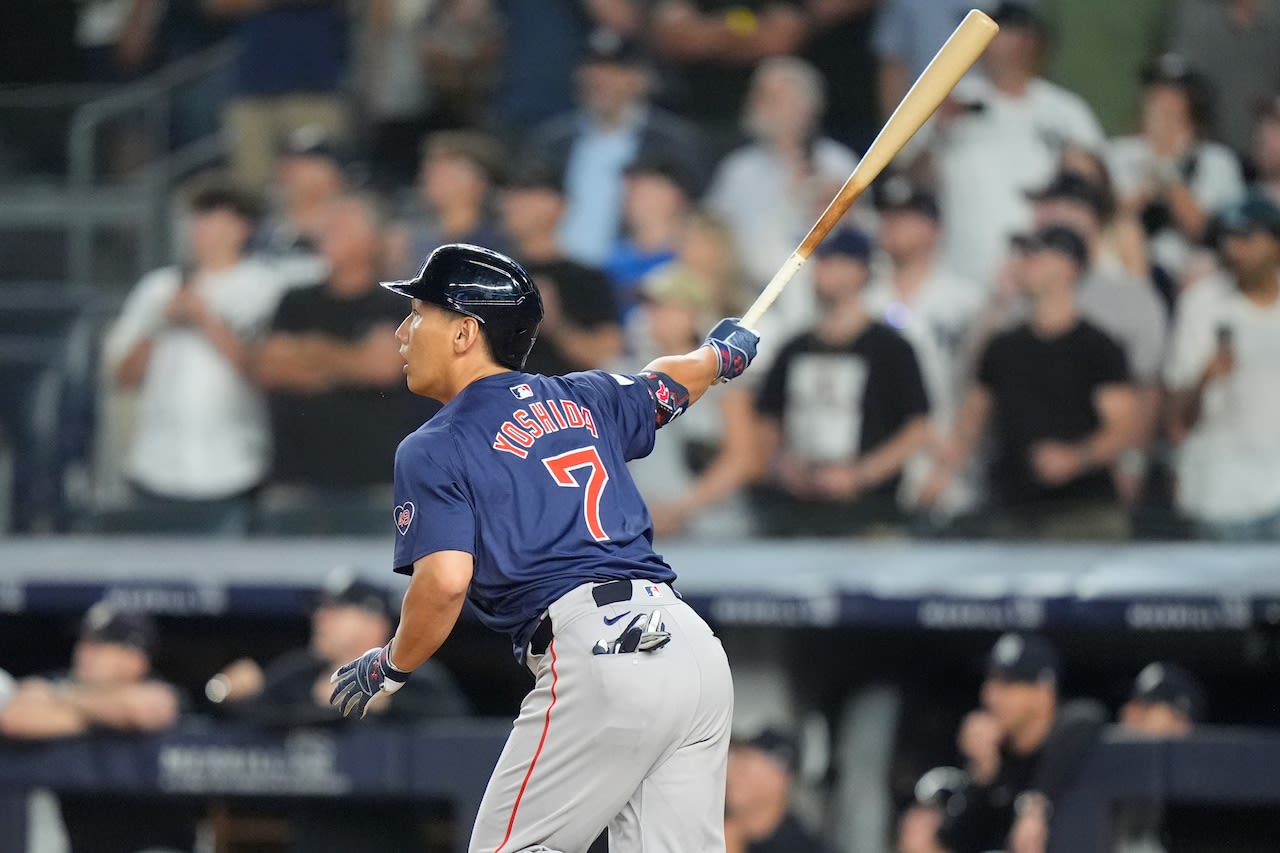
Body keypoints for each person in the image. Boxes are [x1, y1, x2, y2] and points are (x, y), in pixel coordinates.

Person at [324, 242, 760, 852]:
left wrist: (393, 664)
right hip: (692, 649)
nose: (402, 331)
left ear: (463, 333)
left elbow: (446, 582)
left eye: (419, 313)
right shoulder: (584, 395)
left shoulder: (436, 443)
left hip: (599, 648)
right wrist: (717, 356)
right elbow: (665, 384)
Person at [922, 225, 1139, 541]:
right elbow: (972, 420)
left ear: (1068, 267)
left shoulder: (1098, 346)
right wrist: (940, 477)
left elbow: (1123, 427)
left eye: (1035, 254)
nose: (1023, 263)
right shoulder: (1004, 346)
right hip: (1013, 511)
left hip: (1083, 514)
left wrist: (1075, 459)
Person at [102, 183, 282, 534]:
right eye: (195, 219)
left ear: (241, 228)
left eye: (211, 219)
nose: (198, 229)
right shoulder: (157, 288)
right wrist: (159, 323)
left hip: (234, 466)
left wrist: (205, 319)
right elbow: (123, 376)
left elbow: (265, 372)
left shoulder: (266, 287)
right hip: (155, 466)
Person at [254, 192, 437, 533]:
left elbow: (382, 369)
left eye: (339, 227)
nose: (326, 234)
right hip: (297, 480)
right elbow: (269, 369)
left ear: (369, 240)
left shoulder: (398, 304)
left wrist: (311, 350)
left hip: (378, 484)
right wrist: (351, 359)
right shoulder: (295, 301)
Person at [901, 1, 1105, 288]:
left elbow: (1100, 192)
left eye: (991, 30)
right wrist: (939, 132)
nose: (979, 40)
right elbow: (909, 179)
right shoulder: (952, 99)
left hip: (1044, 275)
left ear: (1027, 39)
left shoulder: (1066, 112)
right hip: (962, 274)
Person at [754, 228, 931, 537]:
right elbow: (767, 420)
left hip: (871, 514)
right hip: (797, 514)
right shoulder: (793, 348)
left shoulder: (891, 349)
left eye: (832, 262)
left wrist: (859, 475)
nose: (820, 272)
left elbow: (917, 428)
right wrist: (783, 465)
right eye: (820, 263)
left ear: (859, 271)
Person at [1027, 169, 1169, 504]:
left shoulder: (1129, 293)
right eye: (1046, 206)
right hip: (1025, 481)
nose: (1048, 216)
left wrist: (1133, 464)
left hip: (1103, 476)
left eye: (1062, 205)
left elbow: (1148, 389)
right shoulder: (1026, 289)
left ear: (1091, 217)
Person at [0, 602, 189, 853]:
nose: (84, 651)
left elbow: (141, 710)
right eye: (84, 641)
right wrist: (101, 716)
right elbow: (11, 717)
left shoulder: (159, 688)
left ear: (136, 659)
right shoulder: (65, 684)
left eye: (100, 644)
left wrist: (64, 703)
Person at [707, 55, 860, 344]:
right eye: (758, 94)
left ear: (805, 107)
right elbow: (711, 233)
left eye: (773, 97)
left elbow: (862, 235)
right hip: (745, 297)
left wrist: (835, 207)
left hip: (820, 297)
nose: (759, 102)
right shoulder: (738, 169)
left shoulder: (836, 163)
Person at [526, 27, 706, 267]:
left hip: (640, 274)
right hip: (559, 274)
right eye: (593, 67)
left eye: (615, 69)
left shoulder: (673, 142)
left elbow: (695, 212)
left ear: (641, 79)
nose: (600, 78)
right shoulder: (553, 140)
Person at [863, 177, 984, 524]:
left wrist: (953, 459)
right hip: (881, 464)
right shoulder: (865, 300)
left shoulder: (966, 301)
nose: (892, 226)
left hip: (952, 464)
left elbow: (981, 389)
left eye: (906, 216)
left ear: (933, 228)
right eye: (887, 216)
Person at [1164, 192, 1280, 540]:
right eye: (1229, 239)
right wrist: (1205, 378)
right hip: (1222, 495)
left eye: (1247, 239)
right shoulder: (1202, 302)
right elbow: (1175, 420)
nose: (1235, 249)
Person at [208, 573, 469, 724]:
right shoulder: (300, 671)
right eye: (320, 610)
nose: (320, 618)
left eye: (336, 610)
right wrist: (229, 693)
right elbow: (255, 717)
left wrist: (386, 704)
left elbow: (457, 724)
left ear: (374, 623)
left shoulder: (408, 674)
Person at [625, 265, 760, 538]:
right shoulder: (625, 374)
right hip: (641, 525)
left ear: (692, 314)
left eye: (663, 306)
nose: (652, 316)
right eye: (650, 307)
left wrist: (680, 509)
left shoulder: (725, 380)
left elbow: (743, 459)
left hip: (714, 529)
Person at [938, 633, 1106, 853]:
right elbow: (955, 841)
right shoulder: (997, 757)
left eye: (1008, 683)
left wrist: (1035, 806)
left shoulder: (1071, 741)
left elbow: (1087, 717)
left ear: (1044, 690)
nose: (990, 695)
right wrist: (981, 776)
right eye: (990, 680)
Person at [1105, 53, 1246, 286]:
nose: (1160, 100)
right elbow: (1105, 220)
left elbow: (1204, 231)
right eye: (1155, 89)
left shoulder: (1217, 161)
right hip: (1127, 270)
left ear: (1192, 103)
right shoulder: (1119, 151)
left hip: (1187, 274)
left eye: (1172, 93)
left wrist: (1168, 169)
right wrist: (1145, 188)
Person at [209, 0, 351, 190]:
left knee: (317, 186)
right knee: (251, 190)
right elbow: (217, 5)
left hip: (314, 89)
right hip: (252, 89)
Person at [500, 162, 623, 375]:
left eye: (527, 194)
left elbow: (606, 356)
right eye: (511, 194)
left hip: (562, 401)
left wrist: (556, 325)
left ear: (559, 205)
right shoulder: (494, 275)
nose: (514, 203)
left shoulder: (587, 279)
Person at [1112, 662, 1206, 853]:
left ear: (1182, 723)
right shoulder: (1102, 753)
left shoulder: (1198, 783)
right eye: (1135, 701)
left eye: (1147, 706)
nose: (1130, 711)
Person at [1168, 0, 1280, 158]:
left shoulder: (1274, 23)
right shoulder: (1196, 16)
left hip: (1267, 161)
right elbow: (1173, 87)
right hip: (1208, 156)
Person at [391, 129, 507, 277]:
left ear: (479, 182)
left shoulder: (499, 242)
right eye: (429, 171)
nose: (429, 179)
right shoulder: (411, 241)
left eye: (445, 172)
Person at [604, 154, 695, 323]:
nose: (630, 195)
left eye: (642, 188)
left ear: (674, 196)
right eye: (629, 188)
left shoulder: (695, 255)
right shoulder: (613, 257)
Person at [254, 126, 350, 286]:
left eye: (307, 163)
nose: (293, 170)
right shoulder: (265, 229)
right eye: (290, 161)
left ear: (334, 174)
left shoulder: (352, 227)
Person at [724, 728, 835, 853]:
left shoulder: (802, 847)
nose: (730, 775)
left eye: (744, 768)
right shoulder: (715, 826)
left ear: (779, 779)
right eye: (733, 762)